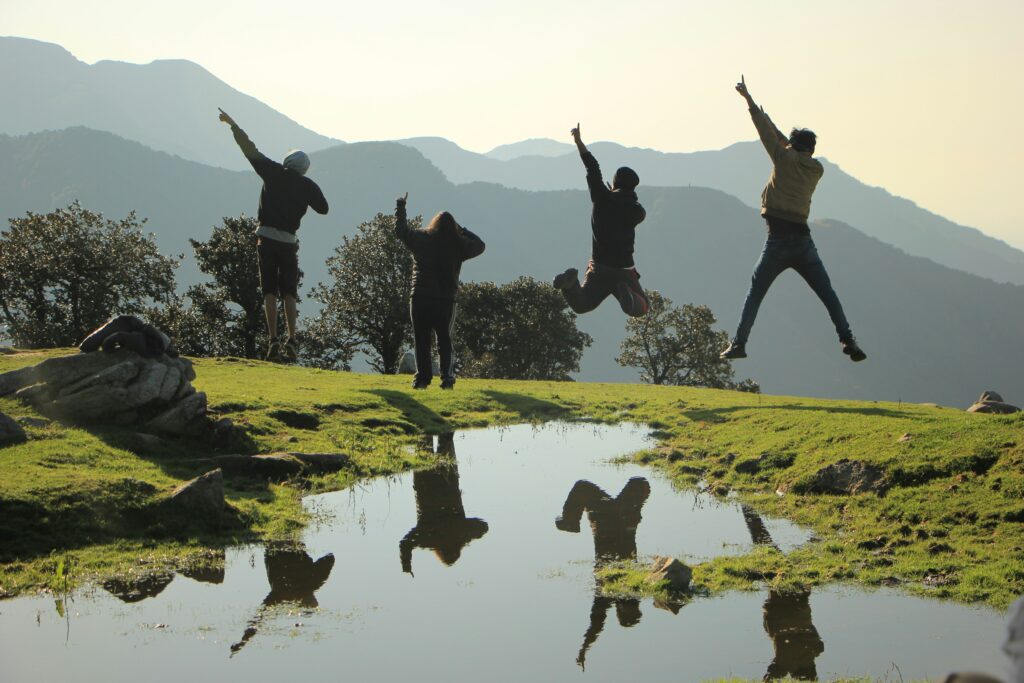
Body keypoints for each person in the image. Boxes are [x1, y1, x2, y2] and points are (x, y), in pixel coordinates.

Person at [719, 77, 865, 363]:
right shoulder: (817, 169)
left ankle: (739, 343)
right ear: (812, 148)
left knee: (755, 293)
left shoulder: (782, 159)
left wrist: (749, 100)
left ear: (792, 145)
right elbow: (786, 145)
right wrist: (777, 128)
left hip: (777, 240)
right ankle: (847, 339)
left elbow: (766, 133)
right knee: (827, 294)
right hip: (804, 242)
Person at [218, 108, 329, 361]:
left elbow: (249, 149)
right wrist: (308, 191)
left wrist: (233, 124)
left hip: (265, 239)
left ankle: (273, 339)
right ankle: (292, 338)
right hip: (289, 243)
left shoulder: (271, 172)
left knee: (269, 290)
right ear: (304, 169)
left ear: (286, 162)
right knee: (289, 291)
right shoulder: (306, 185)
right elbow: (323, 209)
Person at [552, 124, 650, 318]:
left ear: (614, 183)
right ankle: (628, 295)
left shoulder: (601, 197)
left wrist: (579, 141)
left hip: (599, 267)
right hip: (623, 269)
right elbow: (632, 210)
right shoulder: (637, 211)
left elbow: (592, 167)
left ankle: (571, 284)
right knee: (642, 307)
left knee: (582, 305)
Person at [556, 477, 651, 669]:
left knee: (586, 487)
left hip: (608, 515)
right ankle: (571, 522)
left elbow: (596, 625)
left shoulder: (617, 590)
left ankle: (571, 522)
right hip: (609, 516)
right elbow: (596, 623)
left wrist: (584, 649)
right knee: (636, 485)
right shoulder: (631, 586)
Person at [395, 194, 485, 390]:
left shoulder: (421, 238)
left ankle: (422, 380)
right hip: (445, 300)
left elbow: (401, 231)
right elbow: (480, 245)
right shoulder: (459, 245)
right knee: (444, 341)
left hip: (419, 297)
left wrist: (401, 206)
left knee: (421, 340)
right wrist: (462, 230)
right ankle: (447, 380)